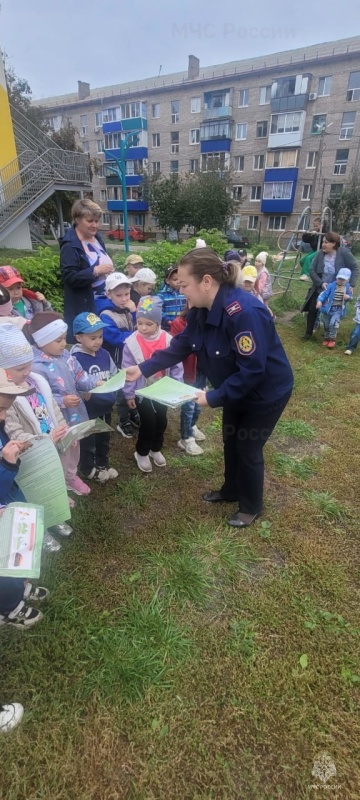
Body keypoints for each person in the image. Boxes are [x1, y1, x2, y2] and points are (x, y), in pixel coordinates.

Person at [125, 247, 293, 528]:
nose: (182, 292)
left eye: (185, 285)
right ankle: (231, 490)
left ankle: (251, 506)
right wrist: (142, 368)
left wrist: (213, 397)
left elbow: (253, 369)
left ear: (206, 281)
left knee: (248, 447)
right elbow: (180, 345)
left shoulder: (244, 312)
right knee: (231, 440)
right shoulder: (200, 310)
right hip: (235, 389)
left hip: (265, 393)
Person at [25, 313, 103, 496]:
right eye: (58, 340)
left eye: (63, 339)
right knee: (61, 451)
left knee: (74, 446)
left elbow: (79, 375)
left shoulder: (65, 355)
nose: (63, 343)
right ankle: (59, 482)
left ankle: (71, 476)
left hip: (74, 415)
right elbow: (38, 398)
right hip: (57, 420)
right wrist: (62, 401)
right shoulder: (36, 366)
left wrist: (94, 383)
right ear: (42, 341)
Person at [0, 367, 50, 626]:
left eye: (6, 409)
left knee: (18, 555)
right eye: (0, 409)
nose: (4, 416)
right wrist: (7, 465)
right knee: (4, 566)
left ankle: (19, 587)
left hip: (9, 503)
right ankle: (10, 607)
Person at [121, 296, 183, 473]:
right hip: (143, 390)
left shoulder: (168, 340)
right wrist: (129, 394)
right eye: (139, 323)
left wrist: (176, 386)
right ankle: (141, 452)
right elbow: (127, 370)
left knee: (161, 420)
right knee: (148, 422)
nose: (143, 328)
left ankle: (155, 449)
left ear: (158, 322)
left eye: (149, 324)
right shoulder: (131, 343)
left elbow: (176, 365)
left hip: (162, 389)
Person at [71, 312, 118, 482]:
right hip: (88, 410)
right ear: (79, 338)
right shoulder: (75, 359)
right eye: (93, 338)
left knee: (103, 438)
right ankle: (88, 468)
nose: (98, 341)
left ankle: (102, 464)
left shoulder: (104, 353)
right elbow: (72, 383)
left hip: (105, 405)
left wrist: (115, 384)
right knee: (88, 441)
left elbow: (113, 373)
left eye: (100, 336)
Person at [60, 199, 114, 343]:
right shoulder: (70, 245)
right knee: (92, 345)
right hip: (88, 305)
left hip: (105, 301)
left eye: (97, 221)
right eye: (90, 221)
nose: (95, 225)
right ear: (77, 219)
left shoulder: (96, 238)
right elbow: (69, 277)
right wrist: (95, 270)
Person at [95, 272, 140, 438]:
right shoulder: (106, 315)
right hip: (116, 360)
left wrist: (134, 312)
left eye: (126, 294)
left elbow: (138, 326)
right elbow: (116, 339)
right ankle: (123, 421)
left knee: (132, 387)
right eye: (118, 295)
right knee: (122, 391)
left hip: (128, 357)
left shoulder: (127, 310)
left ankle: (132, 412)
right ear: (108, 294)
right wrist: (136, 338)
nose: (123, 298)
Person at [301, 233, 359, 341]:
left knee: (331, 312)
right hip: (321, 287)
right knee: (312, 308)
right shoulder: (319, 254)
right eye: (323, 242)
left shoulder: (343, 253)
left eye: (326, 242)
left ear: (334, 244)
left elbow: (355, 267)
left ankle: (330, 333)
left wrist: (351, 284)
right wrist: (321, 283)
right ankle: (308, 333)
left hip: (336, 289)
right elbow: (312, 270)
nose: (323, 244)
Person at [170, 306, 206, 456]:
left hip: (203, 371)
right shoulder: (179, 324)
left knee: (199, 403)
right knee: (189, 405)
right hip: (188, 372)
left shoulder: (209, 323)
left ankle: (192, 426)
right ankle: (186, 438)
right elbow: (175, 349)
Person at [316, 268, 353, 348]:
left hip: (338, 310)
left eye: (343, 279)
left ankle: (332, 339)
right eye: (339, 278)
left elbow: (350, 296)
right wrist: (319, 301)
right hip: (328, 309)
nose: (340, 281)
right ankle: (326, 337)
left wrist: (348, 297)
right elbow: (324, 294)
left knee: (333, 323)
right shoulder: (331, 285)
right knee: (326, 324)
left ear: (347, 280)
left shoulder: (348, 287)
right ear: (336, 277)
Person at [157, 265, 186, 329]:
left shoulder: (185, 292)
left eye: (180, 279)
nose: (178, 281)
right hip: (167, 328)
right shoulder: (162, 294)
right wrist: (167, 320)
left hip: (183, 326)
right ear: (167, 281)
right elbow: (158, 309)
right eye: (175, 279)